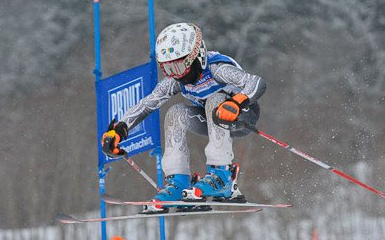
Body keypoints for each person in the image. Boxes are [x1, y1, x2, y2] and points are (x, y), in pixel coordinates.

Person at [102, 23, 266, 214]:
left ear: (197, 56)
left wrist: (237, 102)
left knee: (215, 100)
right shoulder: (175, 81)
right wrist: (119, 129)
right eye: (168, 68)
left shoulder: (217, 68)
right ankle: (179, 182)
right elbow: (147, 104)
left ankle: (222, 175)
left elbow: (256, 83)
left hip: (242, 117)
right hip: (212, 120)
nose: (176, 75)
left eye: (179, 66)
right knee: (175, 113)